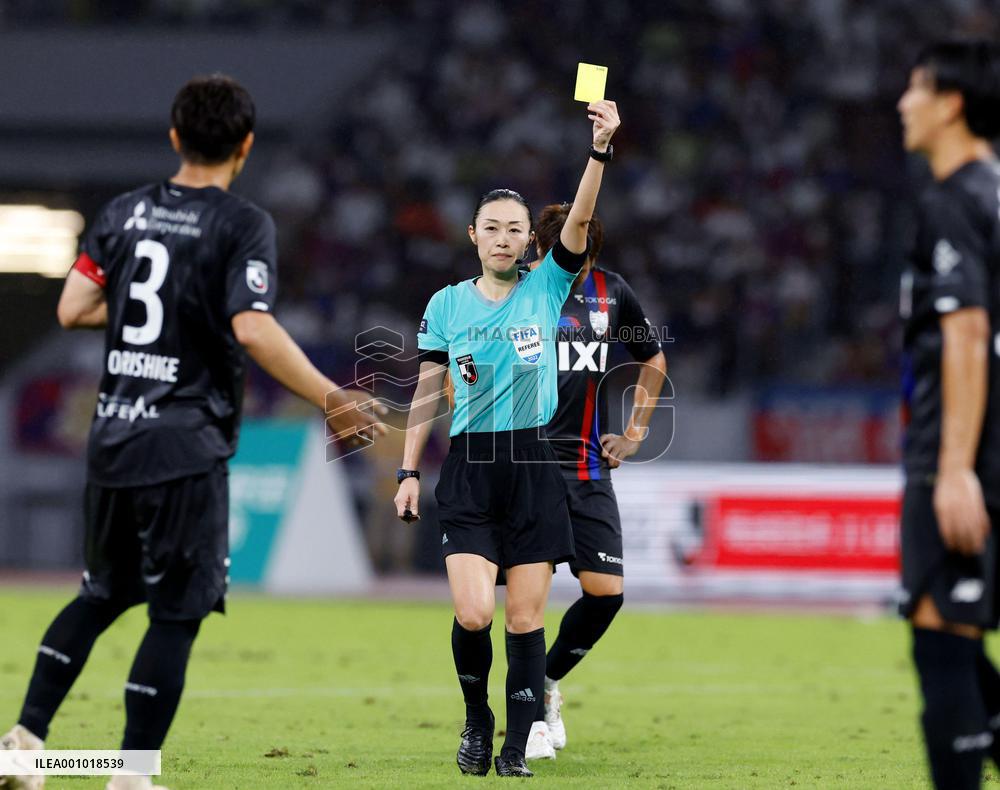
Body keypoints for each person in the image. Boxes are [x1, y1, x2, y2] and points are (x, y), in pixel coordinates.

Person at [0, 74, 382, 790]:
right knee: (178, 611)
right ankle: (133, 774)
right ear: (245, 145)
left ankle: (24, 742)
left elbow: (74, 307)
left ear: (175, 136)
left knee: (101, 593)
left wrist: (160, 309)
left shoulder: (123, 212)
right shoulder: (241, 224)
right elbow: (253, 327)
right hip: (183, 442)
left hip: (114, 433)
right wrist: (332, 395)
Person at [394, 100, 621, 777]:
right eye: (490, 227)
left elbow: (579, 219)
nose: (502, 238)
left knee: (524, 621)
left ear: (530, 242)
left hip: (533, 467)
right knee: (473, 613)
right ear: (472, 235)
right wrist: (408, 473)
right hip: (471, 466)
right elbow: (429, 391)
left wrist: (599, 150)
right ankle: (476, 719)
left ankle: (515, 748)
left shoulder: (548, 288)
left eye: (515, 230)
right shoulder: (446, 304)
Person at [519, 205, 667, 760]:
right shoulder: (517, 289)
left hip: (586, 467)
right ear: (541, 249)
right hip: (526, 466)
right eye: (561, 252)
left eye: (582, 256)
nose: (572, 265)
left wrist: (633, 431)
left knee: (606, 594)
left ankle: (549, 682)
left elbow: (652, 358)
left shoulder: (612, 292)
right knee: (523, 604)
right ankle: (525, 715)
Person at [896, 40, 1000, 790]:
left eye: (916, 87)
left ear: (951, 102)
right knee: (951, 631)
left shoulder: (952, 200)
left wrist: (957, 467)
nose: (903, 102)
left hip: (965, 451)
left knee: (940, 629)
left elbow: (966, 330)